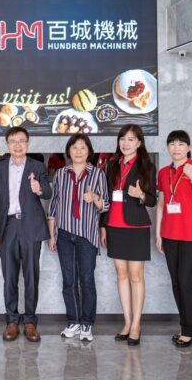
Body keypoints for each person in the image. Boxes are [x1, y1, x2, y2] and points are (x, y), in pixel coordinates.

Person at [0, 126, 52, 342]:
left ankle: (31, 322)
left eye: (22, 141)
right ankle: (12, 321)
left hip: (31, 226)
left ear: (28, 143)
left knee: (31, 276)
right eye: (13, 141)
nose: (18, 145)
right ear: (7, 145)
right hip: (7, 226)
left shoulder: (37, 166)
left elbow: (48, 192)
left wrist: (39, 188)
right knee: (9, 277)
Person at [47, 133, 109, 342]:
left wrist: (94, 198)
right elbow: (53, 206)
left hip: (87, 235)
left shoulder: (98, 174)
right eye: (74, 147)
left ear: (89, 151)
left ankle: (87, 323)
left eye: (83, 147)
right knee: (69, 279)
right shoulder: (61, 174)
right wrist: (52, 235)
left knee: (87, 280)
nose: (79, 151)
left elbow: (105, 205)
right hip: (64, 234)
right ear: (69, 151)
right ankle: (73, 320)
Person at [100, 124, 156, 346]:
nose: (126, 143)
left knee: (136, 276)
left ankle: (136, 325)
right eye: (123, 139)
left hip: (136, 227)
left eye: (131, 139)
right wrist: (103, 225)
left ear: (139, 143)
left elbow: (152, 200)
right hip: (114, 225)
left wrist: (141, 195)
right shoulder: (112, 165)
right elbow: (106, 197)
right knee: (121, 275)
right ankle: (127, 322)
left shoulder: (146, 166)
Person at [155, 130, 192, 348]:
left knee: (187, 281)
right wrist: (158, 234)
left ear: (189, 147)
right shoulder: (163, 172)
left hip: (191, 235)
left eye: (181, 144)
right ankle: (185, 326)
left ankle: (189, 330)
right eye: (172, 144)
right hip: (170, 234)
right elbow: (162, 204)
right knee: (177, 282)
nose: (176, 148)